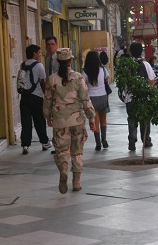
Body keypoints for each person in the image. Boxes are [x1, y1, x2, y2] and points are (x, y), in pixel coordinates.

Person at [43, 48, 96, 194]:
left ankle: (64, 170)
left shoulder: (51, 79)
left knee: (62, 150)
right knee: (77, 151)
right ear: (70, 61)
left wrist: (48, 117)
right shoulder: (78, 77)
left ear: (57, 61)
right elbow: (86, 99)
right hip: (77, 120)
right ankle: (77, 182)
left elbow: (47, 102)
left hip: (60, 121)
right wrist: (91, 117)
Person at [19, 44, 52, 155]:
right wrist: (47, 96)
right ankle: (45, 143)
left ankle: (25, 145)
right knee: (39, 121)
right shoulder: (39, 66)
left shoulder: (22, 65)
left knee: (26, 122)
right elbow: (42, 82)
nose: (39, 54)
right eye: (38, 52)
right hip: (36, 97)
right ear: (34, 53)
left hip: (24, 98)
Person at [125, 42, 156, 151]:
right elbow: (151, 81)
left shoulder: (127, 64)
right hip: (144, 97)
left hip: (130, 98)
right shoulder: (146, 64)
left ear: (131, 52)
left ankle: (132, 142)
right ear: (141, 51)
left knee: (132, 119)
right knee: (145, 119)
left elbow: (123, 83)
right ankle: (146, 140)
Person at [82, 51, 110, 151]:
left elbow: (83, 85)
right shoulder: (103, 69)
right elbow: (107, 79)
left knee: (95, 121)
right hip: (103, 97)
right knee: (103, 121)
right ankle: (104, 140)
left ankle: (98, 143)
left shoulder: (85, 72)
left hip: (92, 99)